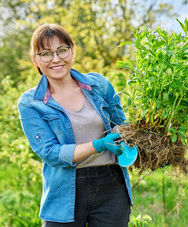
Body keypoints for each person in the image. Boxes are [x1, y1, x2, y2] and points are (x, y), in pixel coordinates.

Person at [17, 23, 132, 226]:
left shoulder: (99, 85)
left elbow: (121, 126)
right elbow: (50, 152)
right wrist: (98, 145)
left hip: (111, 186)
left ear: (72, 52)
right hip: (64, 190)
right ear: (35, 60)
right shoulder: (30, 103)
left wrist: (151, 142)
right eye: (46, 54)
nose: (56, 59)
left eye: (62, 50)